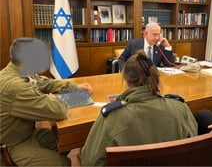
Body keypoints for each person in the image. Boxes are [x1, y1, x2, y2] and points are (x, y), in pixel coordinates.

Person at [81, 50, 197, 166]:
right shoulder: (180, 107)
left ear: (127, 80)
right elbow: (194, 144)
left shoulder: (112, 118)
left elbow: (89, 162)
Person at [0, 37, 92, 166]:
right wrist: (54, 100)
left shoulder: (20, 71)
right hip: (12, 145)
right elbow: (59, 112)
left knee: (65, 141)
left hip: (27, 134)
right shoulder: (16, 87)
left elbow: (46, 83)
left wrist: (74, 86)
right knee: (63, 163)